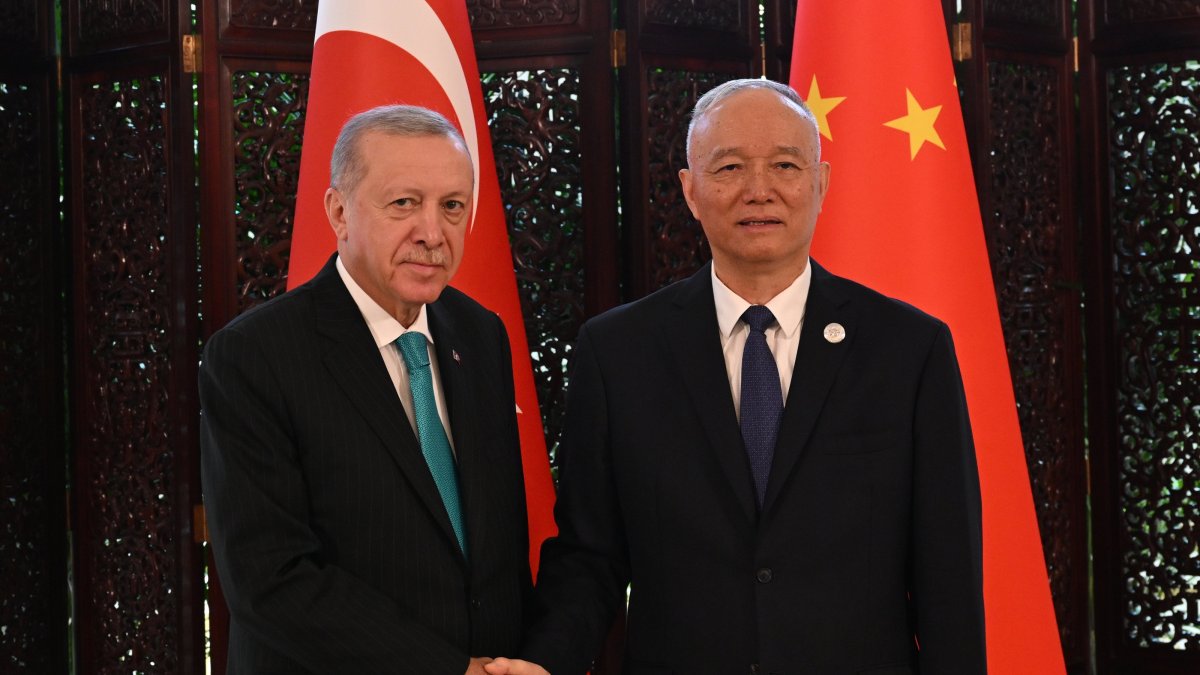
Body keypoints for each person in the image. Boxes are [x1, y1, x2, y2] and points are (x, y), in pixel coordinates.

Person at [487, 79, 986, 675]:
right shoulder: (617, 352)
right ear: (691, 191)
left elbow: (948, 573)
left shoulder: (909, 349)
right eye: (728, 167)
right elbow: (589, 558)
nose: (759, 190)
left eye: (784, 164)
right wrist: (545, 664)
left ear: (821, 183)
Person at [200, 105, 531, 675]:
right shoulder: (255, 355)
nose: (432, 232)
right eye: (404, 203)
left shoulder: (481, 335)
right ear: (339, 212)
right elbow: (270, 580)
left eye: (452, 206)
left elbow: (495, 550)